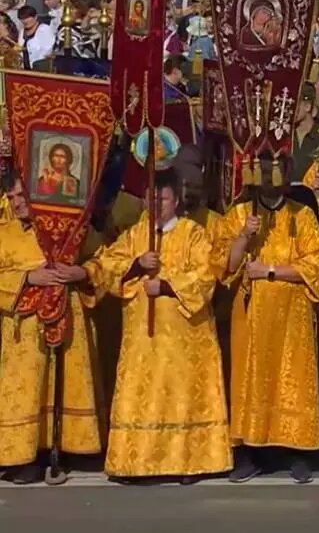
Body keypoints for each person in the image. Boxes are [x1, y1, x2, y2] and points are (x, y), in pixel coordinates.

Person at [91, 170, 230, 484]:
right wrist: (136, 266)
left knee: (181, 397)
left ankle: (188, 462)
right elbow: (108, 267)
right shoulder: (135, 235)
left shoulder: (193, 233)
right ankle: (135, 463)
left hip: (184, 339)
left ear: (176, 200)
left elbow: (206, 275)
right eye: (150, 198)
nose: (156, 205)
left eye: (163, 199)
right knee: (140, 397)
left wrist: (167, 285)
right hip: (141, 338)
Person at [212, 155, 319, 484]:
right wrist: (244, 238)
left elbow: (314, 265)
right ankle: (250, 454)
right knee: (250, 381)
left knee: (293, 380)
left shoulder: (301, 215)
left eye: (273, 169)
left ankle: (298, 452)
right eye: (261, 169)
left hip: (293, 316)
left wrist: (270, 271)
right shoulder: (238, 215)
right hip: (251, 315)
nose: (267, 176)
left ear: (285, 173)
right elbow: (225, 267)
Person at [0, 177, 101, 485]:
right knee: (26, 390)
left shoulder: (70, 232)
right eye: (11, 196)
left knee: (66, 382)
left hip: (68, 321)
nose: (17, 202)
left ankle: (66, 449)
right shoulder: (3, 235)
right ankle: (23, 456)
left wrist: (81, 272)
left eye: (22, 195)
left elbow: (105, 258)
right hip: (21, 333)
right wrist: (28, 277)